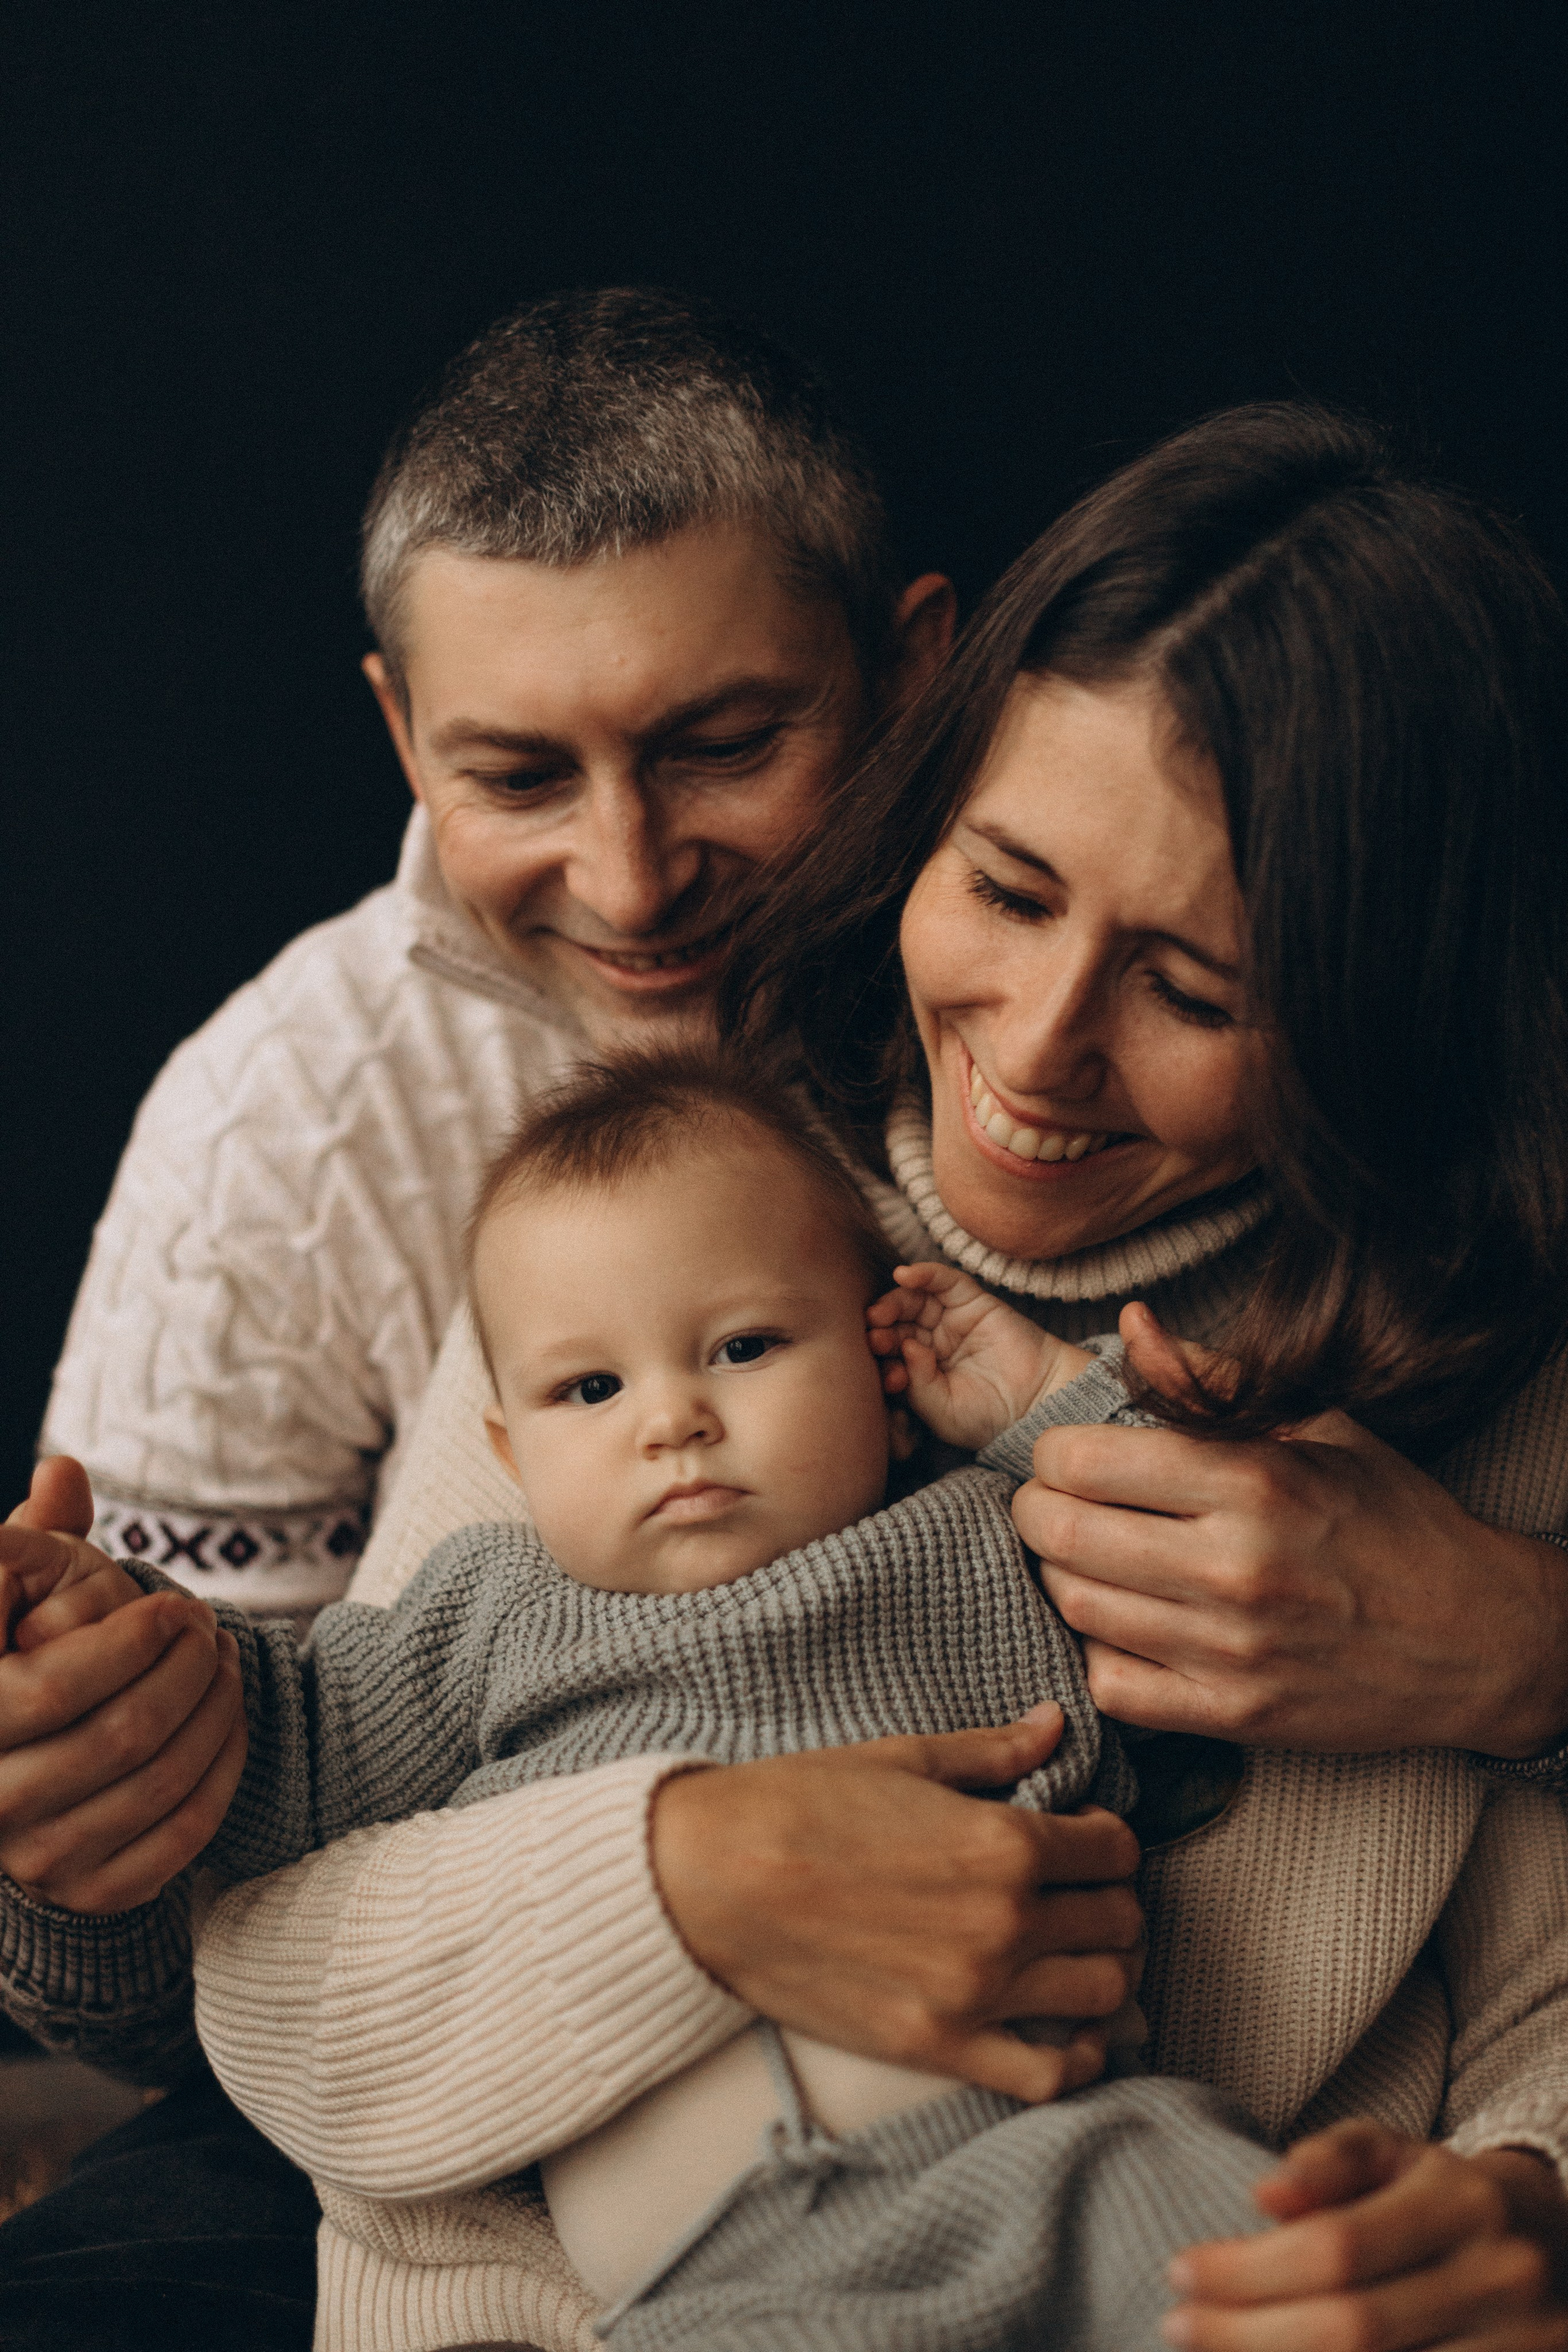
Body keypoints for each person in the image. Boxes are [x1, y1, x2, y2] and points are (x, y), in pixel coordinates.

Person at [8, 1049, 1287, 2352]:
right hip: (701, 2275)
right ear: (509, 1451)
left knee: (1265, 2253)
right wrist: (99, 1627)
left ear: (883, 1373)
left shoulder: (981, 1538)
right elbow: (262, 1739)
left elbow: (1216, 1571)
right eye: (590, 1389)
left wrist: (1037, 1401)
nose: (673, 1420)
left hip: (1055, 2166)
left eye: (742, 1347)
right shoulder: (483, 1617)